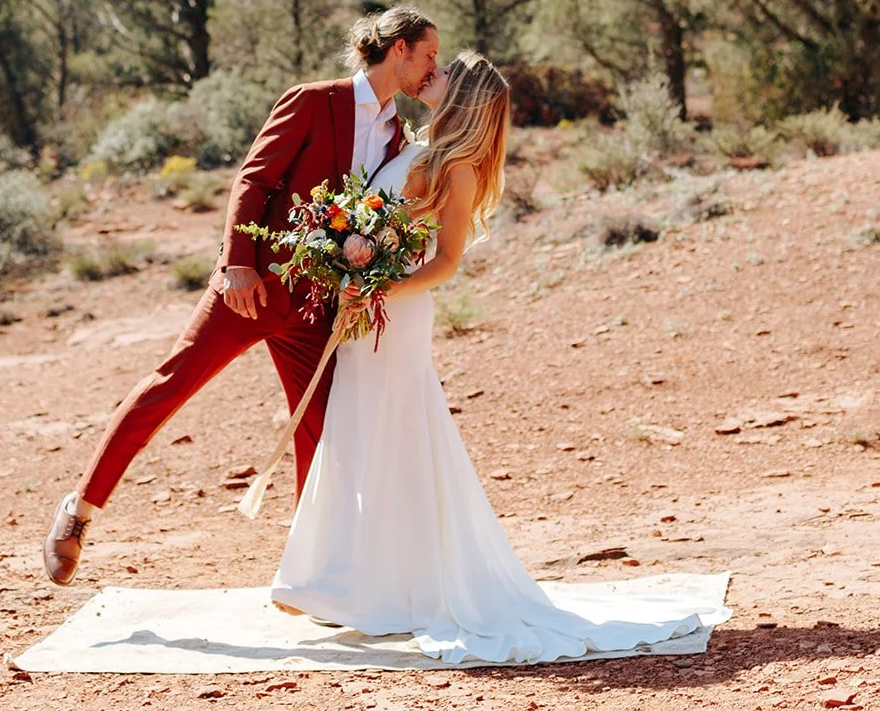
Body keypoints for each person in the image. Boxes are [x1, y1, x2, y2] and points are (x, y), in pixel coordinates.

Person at [271, 51, 725, 664]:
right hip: (366, 313)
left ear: (467, 98)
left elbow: (446, 261)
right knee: (359, 432)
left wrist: (379, 287)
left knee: (390, 435)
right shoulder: (416, 143)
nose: (433, 72)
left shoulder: (455, 165)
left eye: (447, 71)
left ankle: (374, 590)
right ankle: (341, 582)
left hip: (395, 316)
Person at [42, 5, 441, 585]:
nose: (432, 67)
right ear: (399, 48)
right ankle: (78, 510)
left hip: (314, 309)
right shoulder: (313, 100)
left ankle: (316, 574)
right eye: (428, 54)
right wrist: (235, 265)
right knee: (167, 388)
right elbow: (253, 178)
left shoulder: (396, 134)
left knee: (325, 432)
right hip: (249, 288)